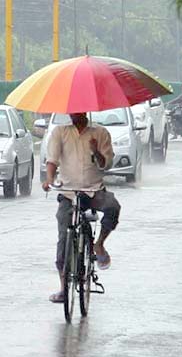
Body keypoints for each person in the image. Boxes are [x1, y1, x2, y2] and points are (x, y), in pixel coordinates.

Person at [42, 112, 121, 304]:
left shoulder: (100, 133)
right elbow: (52, 160)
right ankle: (63, 288)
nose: (74, 114)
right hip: (69, 192)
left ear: (86, 111)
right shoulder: (60, 132)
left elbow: (106, 165)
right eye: (72, 110)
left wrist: (96, 151)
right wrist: (50, 180)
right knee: (63, 236)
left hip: (94, 190)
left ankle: (99, 243)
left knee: (113, 206)